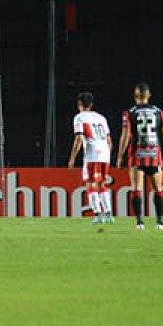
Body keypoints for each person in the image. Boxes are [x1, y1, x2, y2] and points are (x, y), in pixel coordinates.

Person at [116, 83, 163, 231]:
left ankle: (139, 223)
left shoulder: (129, 112)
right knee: (158, 189)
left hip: (137, 155)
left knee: (136, 189)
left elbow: (126, 135)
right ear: (149, 96)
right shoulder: (158, 112)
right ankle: (160, 223)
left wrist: (120, 156)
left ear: (135, 96)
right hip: (155, 154)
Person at [67, 92, 114, 226]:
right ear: (91, 104)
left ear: (79, 104)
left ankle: (98, 215)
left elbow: (79, 138)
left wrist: (72, 158)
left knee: (90, 184)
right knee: (102, 184)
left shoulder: (80, 118)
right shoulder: (101, 117)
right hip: (105, 153)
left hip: (92, 154)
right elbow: (109, 140)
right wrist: (107, 155)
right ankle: (109, 214)